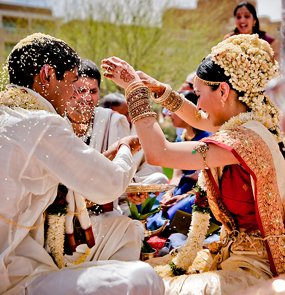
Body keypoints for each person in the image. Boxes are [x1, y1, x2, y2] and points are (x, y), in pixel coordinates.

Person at [101, 33, 285, 294]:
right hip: (228, 252)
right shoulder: (252, 121)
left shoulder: (244, 139)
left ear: (223, 91)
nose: (197, 103)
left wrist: (135, 91)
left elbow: (159, 153)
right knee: (144, 273)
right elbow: (202, 118)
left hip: (255, 268)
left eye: (199, 94)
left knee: (151, 287)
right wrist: (160, 91)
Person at [0, 33, 165, 295]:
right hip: (14, 274)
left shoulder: (10, 116)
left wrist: (104, 158)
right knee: (144, 277)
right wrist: (124, 149)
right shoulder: (42, 124)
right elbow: (110, 186)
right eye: (72, 82)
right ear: (46, 75)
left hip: (31, 251)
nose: (74, 95)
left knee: (122, 231)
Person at [64, 58, 144, 261]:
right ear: (67, 90)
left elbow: (121, 172)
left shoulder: (112, 120)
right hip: (64, 219)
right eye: (80, 91)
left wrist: (132, 191)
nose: (87, 98)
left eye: (93, 91)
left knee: (131, 230)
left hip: (105, 215)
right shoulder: (56, 124)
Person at [147, 91, 211, 231]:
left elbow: (206, 182)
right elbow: (176, 175)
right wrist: (170, 193)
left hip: (198, 192)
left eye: (172, 110)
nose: (169, 114)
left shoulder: (206, 139)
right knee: (151, 200)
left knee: (174, 213)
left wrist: (182, 196)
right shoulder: (180, 138)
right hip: (182, 187)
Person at [100, 91, 169, 185]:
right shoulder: (102, 133)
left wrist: (135, 179)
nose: (128, 118)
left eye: (128, 113)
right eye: (122, 115)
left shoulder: (138, 128)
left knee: (160, 178)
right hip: (110, 182)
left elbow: (149, 162)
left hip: (135, 181)